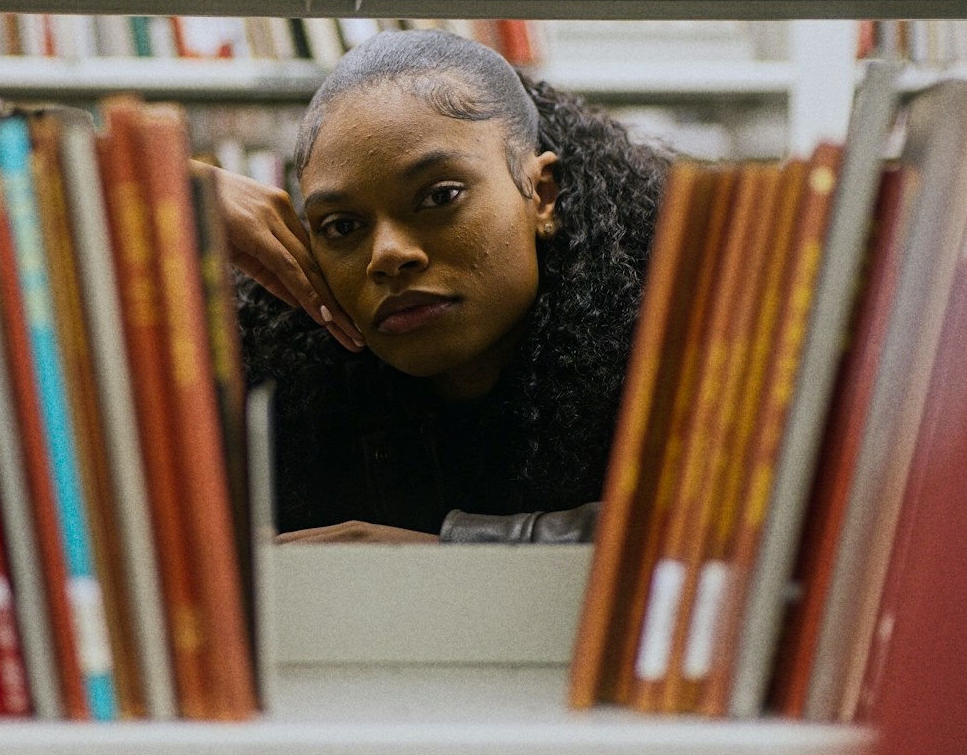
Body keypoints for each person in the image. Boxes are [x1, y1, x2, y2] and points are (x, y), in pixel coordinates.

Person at [214, 27, 671, 543]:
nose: (388, 255)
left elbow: (732, 541)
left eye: (439, 197)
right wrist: (152, 195)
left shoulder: (680, 363)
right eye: (341, 226)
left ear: (542, 195)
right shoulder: (295, 406)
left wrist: (446, 560)